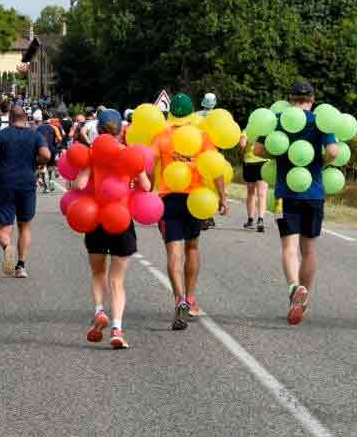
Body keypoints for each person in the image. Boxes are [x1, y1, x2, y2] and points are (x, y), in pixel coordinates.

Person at [254, 81, 338, 326]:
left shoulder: (277, 118)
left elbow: (258, 150)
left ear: (289, 99)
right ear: (312, 100)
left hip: (285, 194)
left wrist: (280, 156)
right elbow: (333, 152)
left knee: (288, 247)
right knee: (309, 249)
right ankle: (304, 298)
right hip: (314, 194)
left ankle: (293, 288)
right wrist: (319, 165)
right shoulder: (320, 121)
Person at [76, 109, 149, 350]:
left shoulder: (93, 155)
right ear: (120, 130)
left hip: (95, 219)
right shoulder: (129, 156)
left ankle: (99, 311)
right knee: (117, 279)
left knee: (98, 273)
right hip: (121, 219)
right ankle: (117, 328)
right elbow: (146, 186)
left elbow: (80, 183)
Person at [154, 93, 228, 330]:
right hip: (196, 199)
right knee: (193, 247)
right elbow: (215, 168)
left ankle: (179, 299)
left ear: (172, 113)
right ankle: (192, 298)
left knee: (173, 252)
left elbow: (148, 163)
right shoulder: (202, 136)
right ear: (191, 113)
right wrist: (223, 197)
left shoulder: (162, 136)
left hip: (169, 198)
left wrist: (145, 188)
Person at [0, 105, 51, 278]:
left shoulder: (1, 134)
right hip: (27, 182)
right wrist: (36, 162)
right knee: (25, 226)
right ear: (26, 118)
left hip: (6, 182)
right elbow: (46, 155)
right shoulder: (35, 135)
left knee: (3, 229)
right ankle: (21, 266)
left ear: (11, 118)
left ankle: (8, 247)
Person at [238, 127, 268, 232]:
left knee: (251, 193)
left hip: (249, 162)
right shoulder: (267, 130)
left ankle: (250, 220)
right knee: (262, 193)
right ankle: (261, 220)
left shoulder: (247, 130)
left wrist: (242, 153)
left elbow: (242, 144)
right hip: (264, 163)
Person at [36, 112, 59, 193]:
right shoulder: (54, 127)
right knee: (50, 167)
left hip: (42, 150)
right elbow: (59, 138)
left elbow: (36, 140)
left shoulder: (38, 128)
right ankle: (51, 181)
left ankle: (46, 188)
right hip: (52, 149)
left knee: (42, 168)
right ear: (49, 119)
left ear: (42, 119)